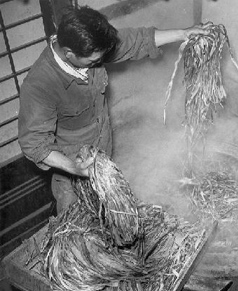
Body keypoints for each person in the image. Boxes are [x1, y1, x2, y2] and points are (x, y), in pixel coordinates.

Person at [18, 5, 209, 213]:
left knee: (112, 216)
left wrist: (183, 33)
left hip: (103, 153)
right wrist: (75, 168)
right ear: (69, 54)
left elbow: (137, 40)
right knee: (75, 222)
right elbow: (35, 144)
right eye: (94, 61)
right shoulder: (39, 85)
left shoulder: (90, 47)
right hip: (72, 167)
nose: (101, 62)